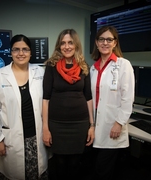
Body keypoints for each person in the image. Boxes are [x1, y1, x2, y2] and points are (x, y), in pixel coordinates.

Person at [0, 34, 49, 180]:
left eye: (25, 49)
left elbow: (47, 102)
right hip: (10, 139)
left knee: (36, 174)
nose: (21, 53)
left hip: (35, 137)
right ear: (11, 52)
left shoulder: (40, 72)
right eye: (16, 49)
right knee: (11, 174)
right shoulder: (0, 75)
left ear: (31, 52)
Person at [42, 29, 95, 180]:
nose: (66, 46)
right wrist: (45, 128)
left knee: (75, 163)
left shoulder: (84, 67)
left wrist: (92, 125)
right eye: (63, 43)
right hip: (57, 124)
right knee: (59, 162)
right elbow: (45, 99)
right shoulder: (51, 67)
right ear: (59, 46)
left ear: (76, 45)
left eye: (70, 42)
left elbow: (88, 97)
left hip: (79, 124)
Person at [90, 25, 135, 180]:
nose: (105, 43)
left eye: (109, 39)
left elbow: (127, 98)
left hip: (112, 127)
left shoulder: (123, 65)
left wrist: (119, 123)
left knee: (103, 171)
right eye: (101, 39)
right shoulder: (93, 68)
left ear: (115, 43)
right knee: (97, 168)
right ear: (96, 42)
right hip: (95, 126)